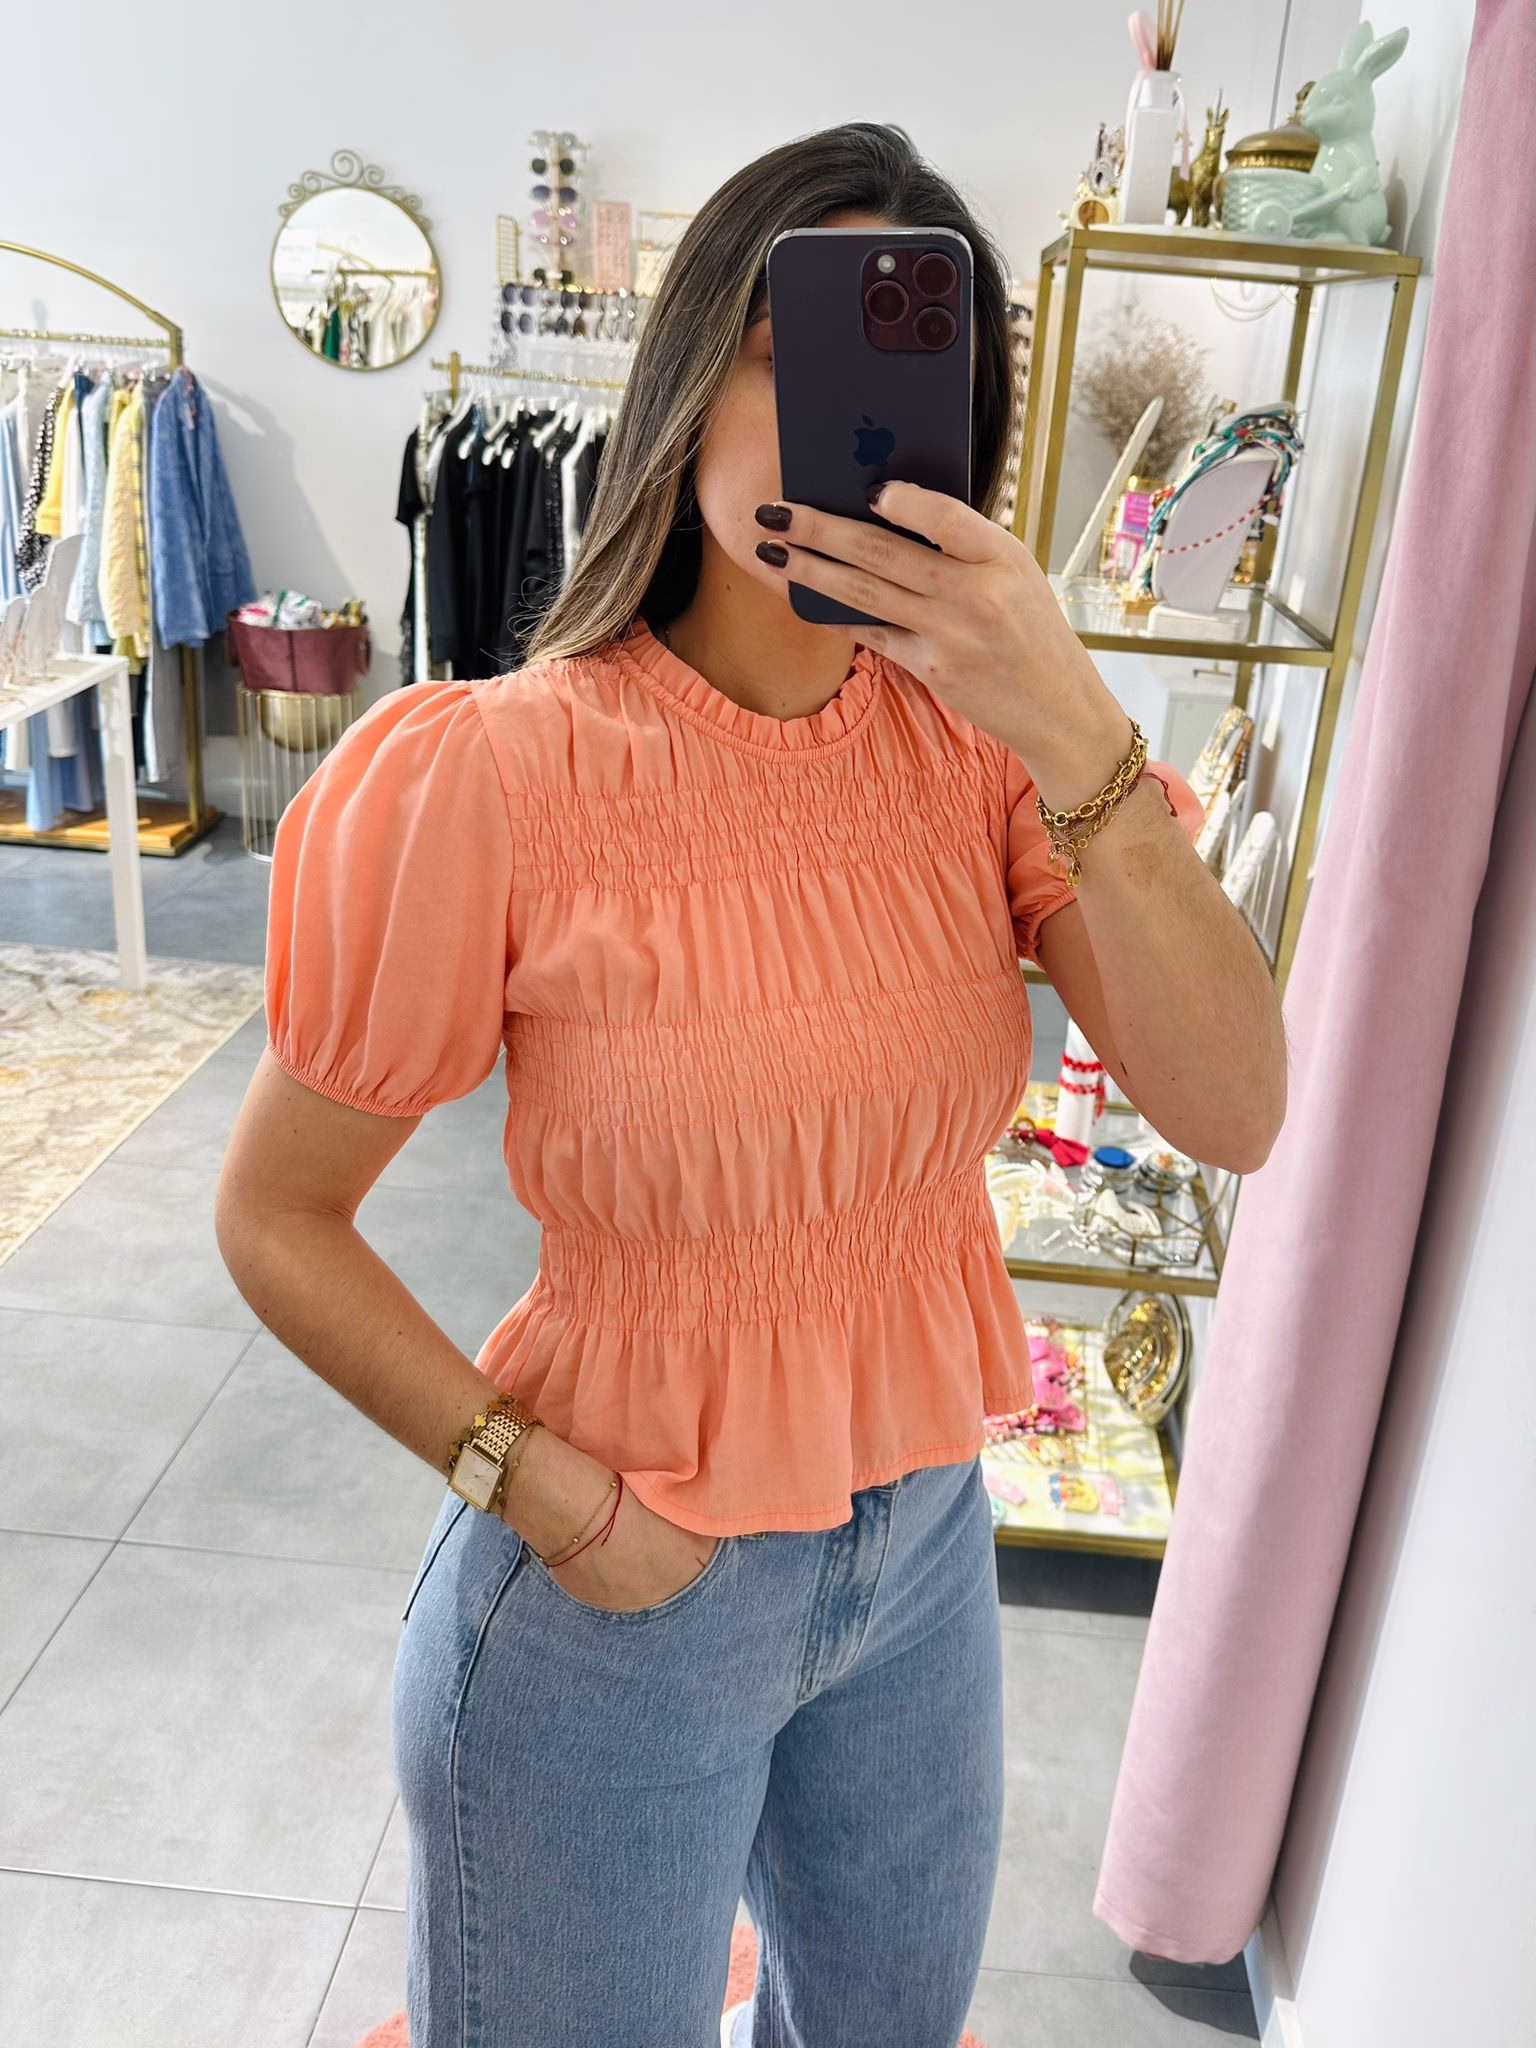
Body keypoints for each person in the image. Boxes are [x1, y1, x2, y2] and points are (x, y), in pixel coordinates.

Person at [217, 120, 1286, 2048]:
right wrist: (544, 1496)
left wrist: (1070, 711)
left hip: (925, 1553)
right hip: (617, 1580)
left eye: (907, 363)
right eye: (798, 349)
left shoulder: (987, 758)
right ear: (692, 366)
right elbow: (277, 1217)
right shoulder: (500, 772)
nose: (841, 418)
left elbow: (1236, 1107)